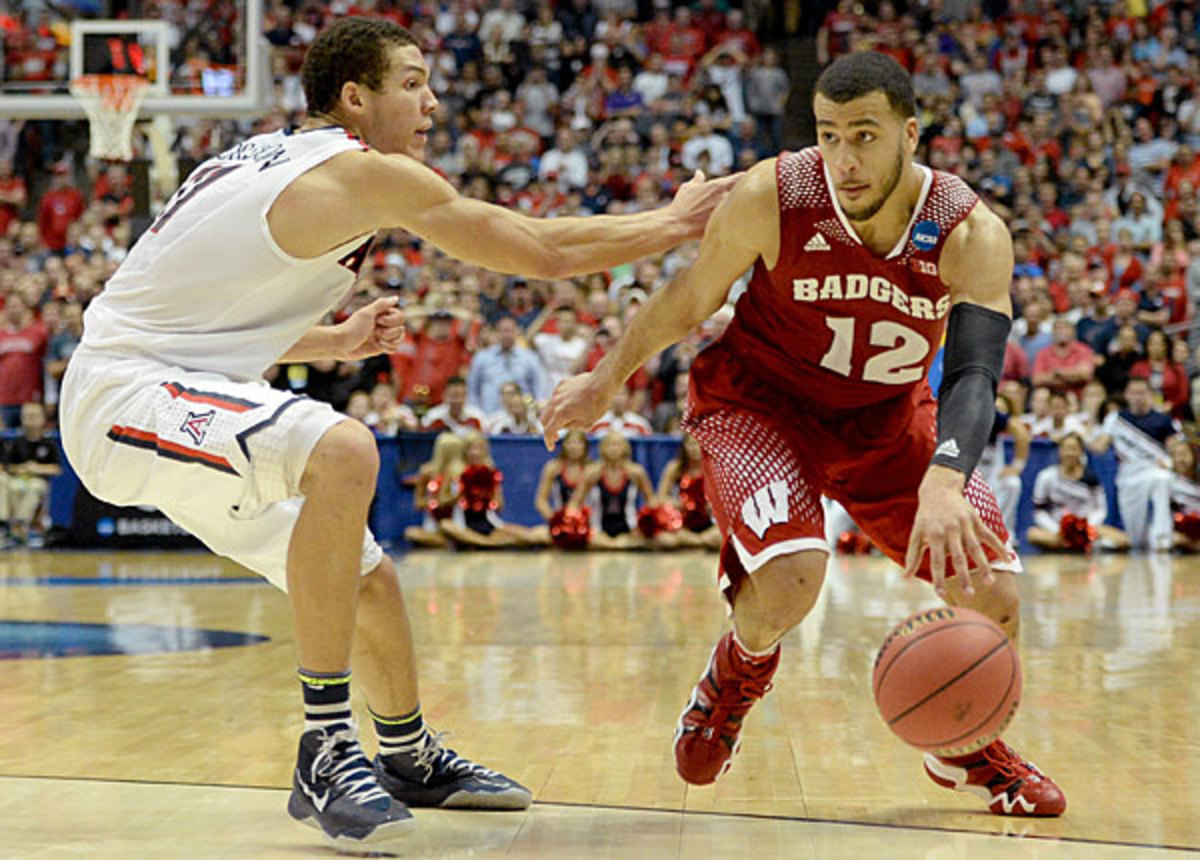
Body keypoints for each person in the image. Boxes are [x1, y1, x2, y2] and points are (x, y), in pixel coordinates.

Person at [58, 17, 735, 851]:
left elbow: (193, 320)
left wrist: (336, 344)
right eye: (413, 83)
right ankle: (325, 743)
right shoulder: (358, 175)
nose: (433, 100)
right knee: (344, 448)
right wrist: (675, 221)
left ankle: (407, 752)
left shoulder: (249, 160)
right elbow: (533, 248)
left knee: (364, 580)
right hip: (122, 396)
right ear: (355, 98)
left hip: (167, 383)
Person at [542, 52, 1066, 816]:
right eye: (829, 136)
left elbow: (975, 372)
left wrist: (946, 480)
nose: (845, 158)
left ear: (909, 134)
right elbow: (689, 297)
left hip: (885, 418)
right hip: (759, 403)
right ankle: (739, 669)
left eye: (864, 135)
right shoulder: (773, 196)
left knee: (993, 587)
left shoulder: (969, 230)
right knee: (793, 575)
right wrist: (601, 381)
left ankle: (964, 746)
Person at [1091, 377, 1179, 551]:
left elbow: (1175, 449)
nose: (1138, 397)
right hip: (1128, 476)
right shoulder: (1116, 418)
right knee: (1134, 533)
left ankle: (1162, 540)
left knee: (1162, 480)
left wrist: (1169, 462)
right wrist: (1082, 435)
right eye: (1134, 393)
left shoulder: (1163, 420)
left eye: (1142, 393)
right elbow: (1101, 446)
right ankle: (1138, 545)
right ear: (1127, 395)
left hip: (1154, 471)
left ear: (1150, 395)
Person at [438, 431, 549, 548]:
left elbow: (500, 506)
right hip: (462, 524)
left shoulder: (490, 471)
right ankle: (488, 543)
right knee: (446, 525)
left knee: (525, 534)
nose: (476, 453)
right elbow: (441, 501)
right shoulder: (454, 470)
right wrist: (462, 494)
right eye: (471, 448)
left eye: (480, 448)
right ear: (465, 450)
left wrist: (486, 494)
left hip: (488, 521)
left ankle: (487, 542)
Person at [1026, 432, 1129, 552]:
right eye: (1066, 449)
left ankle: (1083, 543)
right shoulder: (1046, 477)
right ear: (1060, 451)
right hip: (1057, 529)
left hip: (1087, 527)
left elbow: (1100, 509)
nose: (1070, 453)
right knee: (1032, 534)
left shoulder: (1091, 478)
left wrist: (1088, 526)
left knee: (1123, 539)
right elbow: (1039, 511)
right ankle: (1072, 544)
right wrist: (1057, 530)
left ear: (1081, 452)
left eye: (1074, 449)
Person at [568, 432, 658, 550]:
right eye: (609, 445)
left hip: (630, 529)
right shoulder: (592, 473)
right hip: (598, 531)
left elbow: (651, 500)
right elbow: (574, 502)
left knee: (660, 540)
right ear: (602, 449)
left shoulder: (636, 472)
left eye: (617, 445)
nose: (613, 449)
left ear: (625, 448)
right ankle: (617, 545)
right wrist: (575, 522)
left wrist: (647, 523)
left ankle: (615, 544)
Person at [0, 402, 61, 548]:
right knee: (4, 482)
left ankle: (21, 525)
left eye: (34, 416)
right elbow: (8, 466)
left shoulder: (48, 443)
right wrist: (21, 469)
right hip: (17, 480)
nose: (30, 420)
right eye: (27, 416)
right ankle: (4, 524)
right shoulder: (16, 442)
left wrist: (36, 468)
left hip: (36, 481)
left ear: (42, 419)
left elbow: (56, 468)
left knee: (34, 487)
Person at [657, 433, 721, 550]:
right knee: (665, 540)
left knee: (719, 537)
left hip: (708, 521)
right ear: (684, 447)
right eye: (691, 445)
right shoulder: (675, 468)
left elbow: (725, 498)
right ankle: (699, 541)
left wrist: (713, 505)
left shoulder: (714, 467)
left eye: (698, 445)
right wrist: (675, 503)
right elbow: (661, 497)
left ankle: (693, 541)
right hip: (683, 522)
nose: (694, 449)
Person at [403, 432, 464, 549]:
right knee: (411, 533)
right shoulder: (427, 472)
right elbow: (418, 503)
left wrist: (450, 500)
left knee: (448, 526)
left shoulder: (462, 472)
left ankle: (457, 540)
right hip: (433, 524)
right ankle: (447, 542)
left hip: (457, 521)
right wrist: (434, 502)